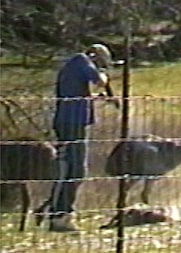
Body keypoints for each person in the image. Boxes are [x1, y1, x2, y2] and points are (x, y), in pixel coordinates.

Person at [36, 44, 114, 232]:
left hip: (71, 122)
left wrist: (93, 98)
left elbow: (77, 93)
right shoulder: (81, 61)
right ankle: (59, 216)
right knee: (73, 170)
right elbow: (99, 80)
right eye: (100, 63)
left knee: (73, 169)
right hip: (71, 124)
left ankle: (58, 211)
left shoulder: (74, 66)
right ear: (95, 57)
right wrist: (103, 75)